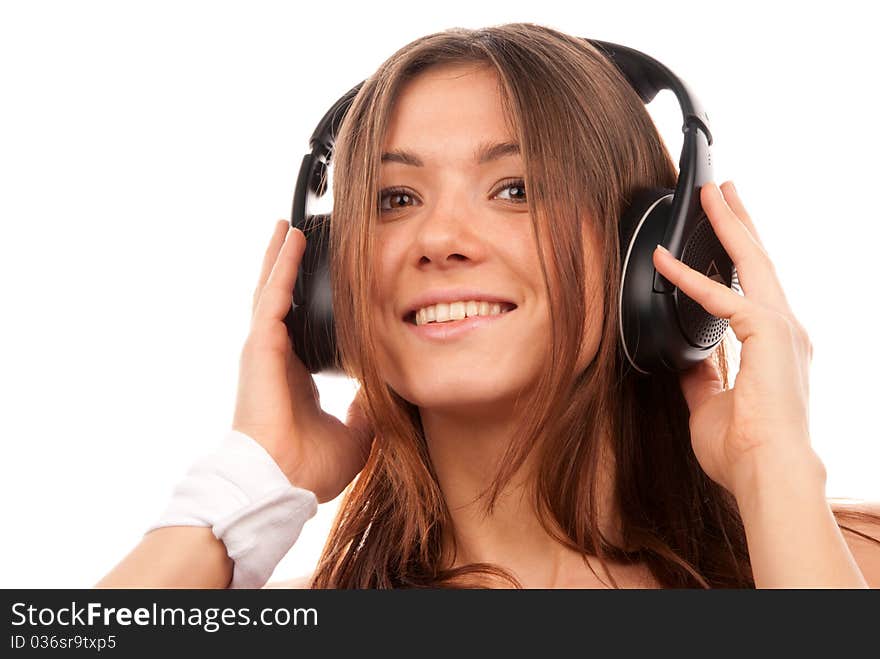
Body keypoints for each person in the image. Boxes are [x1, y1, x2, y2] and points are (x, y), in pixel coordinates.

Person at [97, 22, 880, 589]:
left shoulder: (847, 562)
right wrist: (249, 484)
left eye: (515, 189)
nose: (437, 239)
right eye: (396, 199)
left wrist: (775, 470)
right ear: (330, 285)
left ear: (652, 255)